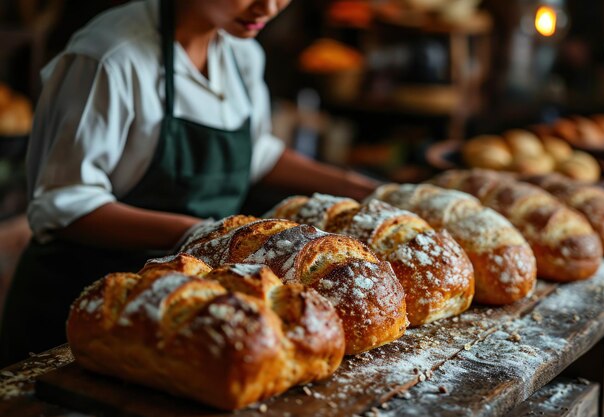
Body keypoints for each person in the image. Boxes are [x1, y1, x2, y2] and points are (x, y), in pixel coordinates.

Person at [0, 0, 381, 366]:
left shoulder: (239, 52)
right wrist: (203, 233)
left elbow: (257, 153)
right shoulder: (111, 56)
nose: (268, 8)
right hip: (84, 309)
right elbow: (65, 205)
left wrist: (365, 189)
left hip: (177, 302)